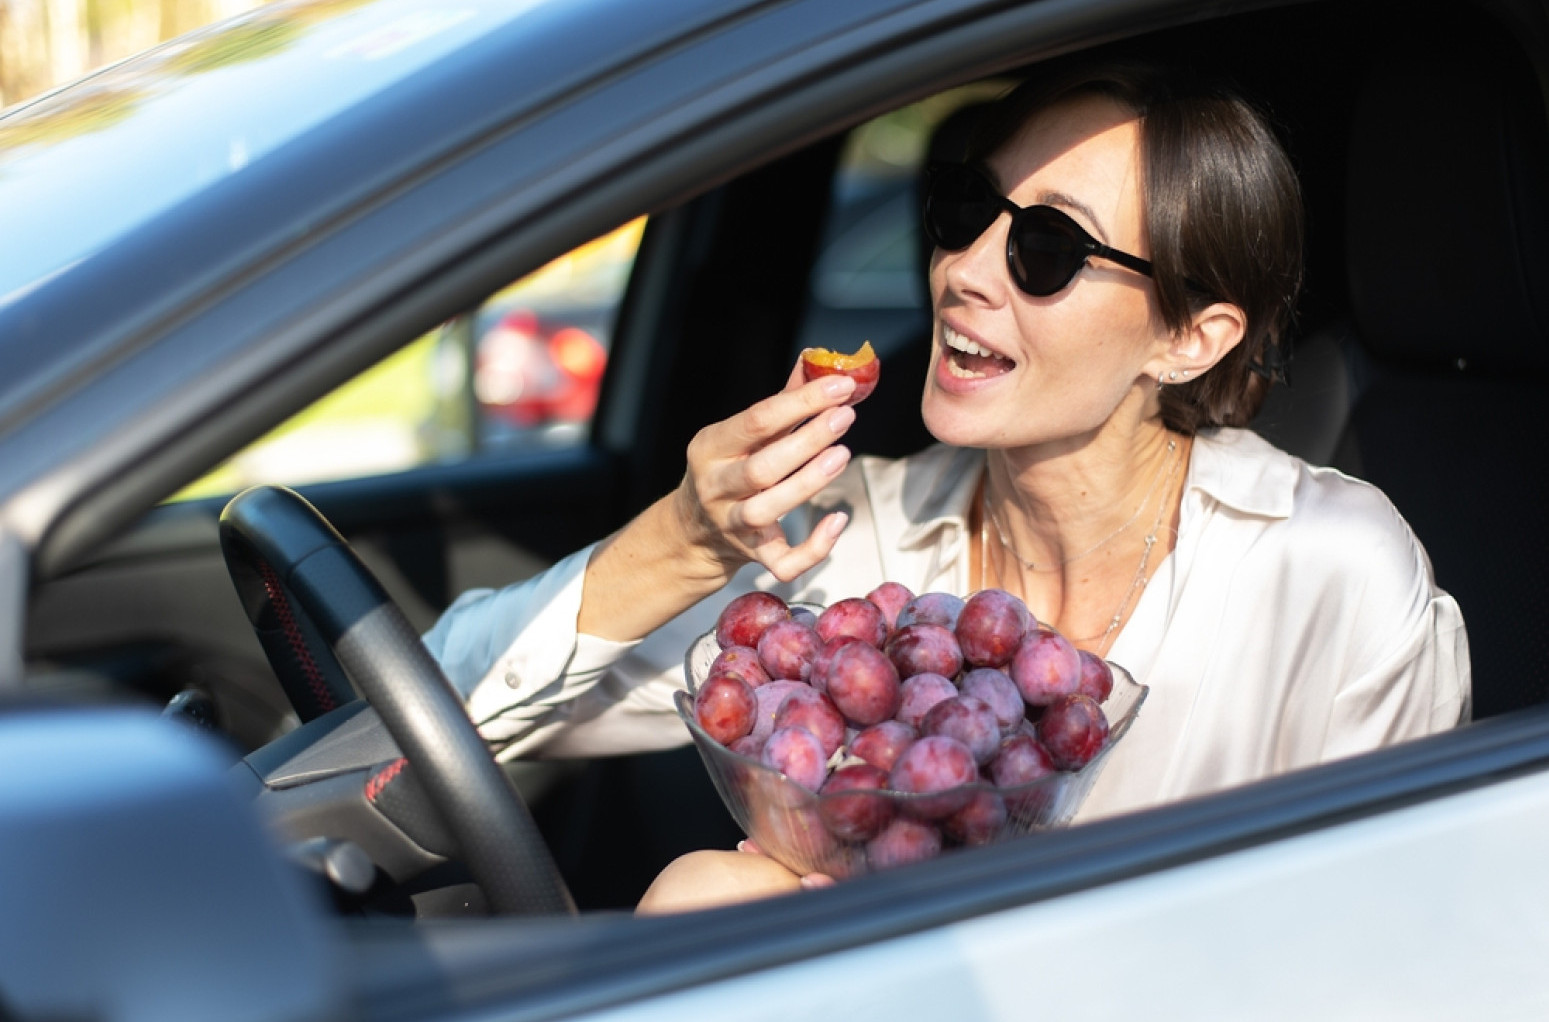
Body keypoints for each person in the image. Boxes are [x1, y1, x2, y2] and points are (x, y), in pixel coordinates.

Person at [424, 60, 1470, 911]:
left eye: (1047, 248)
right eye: (967, 208)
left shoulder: (1325, 569)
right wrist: (685, 539)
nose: (962, 268)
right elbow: (439, 715)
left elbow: (1412, 941)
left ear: (1189, 338)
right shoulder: (850, 545)